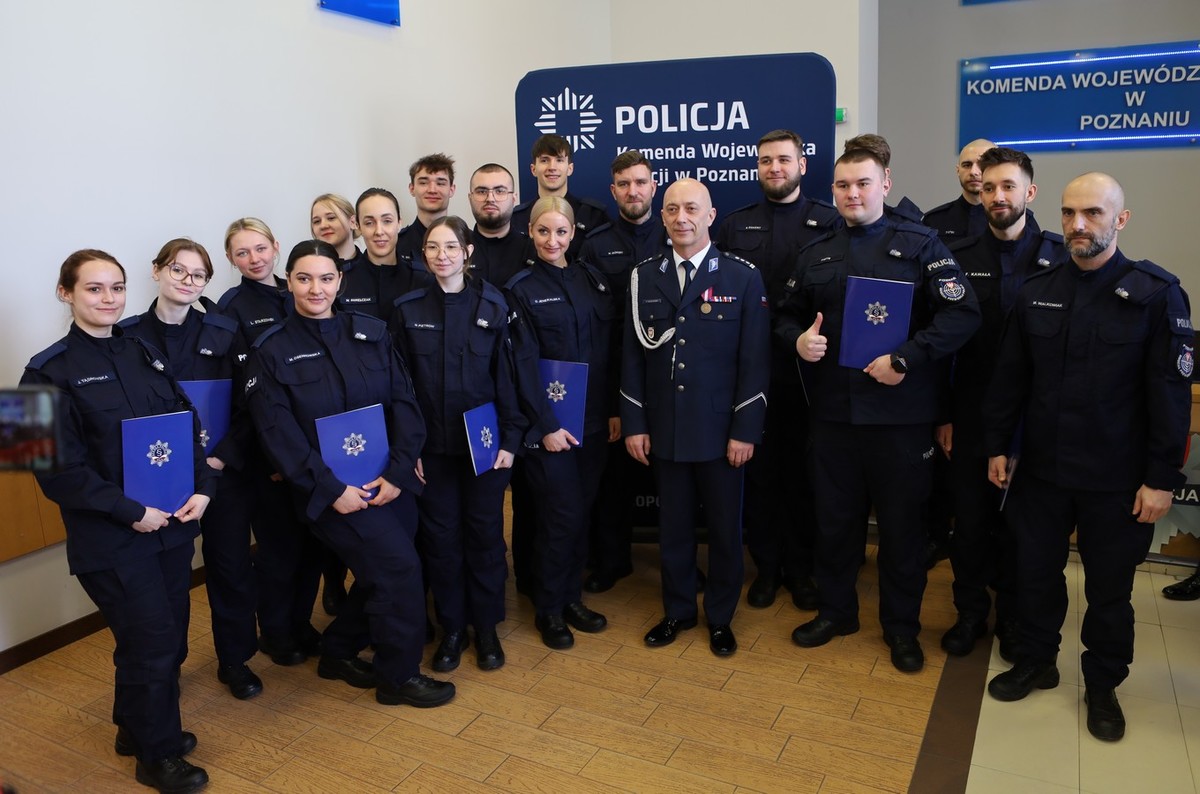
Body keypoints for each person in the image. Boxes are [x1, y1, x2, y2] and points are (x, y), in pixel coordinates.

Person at [983, 172, 1191, 742]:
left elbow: (1170, 398)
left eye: (1093, 213)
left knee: (1109, 592)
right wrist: (999, 445)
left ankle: (1102, 684)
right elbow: (1010, 380)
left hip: (1116, 480)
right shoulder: (1038, 290)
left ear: (1120, 220)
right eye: (1069, 213)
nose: (1078, 224)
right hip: (1042, 472)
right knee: (1035, 576)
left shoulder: (1156, 294)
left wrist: (1161, 479)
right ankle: (1037, 660)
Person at [776, 143, 980, 673]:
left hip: (900, 419)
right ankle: (836, 612)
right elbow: (784, 315)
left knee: (902, 531)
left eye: (863, 183)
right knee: (834, 524)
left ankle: (901, 629)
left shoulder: (921, 244)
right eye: (843, 185)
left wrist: (907, 358)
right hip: (834, 418)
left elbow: (962, 313)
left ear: (885, 184)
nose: (852, 194)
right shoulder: (817, 251)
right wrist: (798, 340)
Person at [22, 250, 216, 793]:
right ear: (65, 293)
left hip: (170, 528)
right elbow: (48, 471)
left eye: (117, 287)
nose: (109, 299)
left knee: (165, 638)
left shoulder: (143, 350)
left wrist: (205, 486)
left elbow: (187, 424)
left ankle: (134, 726)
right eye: (94, 289)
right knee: (151, 641)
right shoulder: (40, 371)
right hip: (110, 538)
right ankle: (157, 755)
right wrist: (131, 512)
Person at [245, 239, 456, 707]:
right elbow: (278, 434)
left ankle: (338, 650)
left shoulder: (371, 332)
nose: (315, 288)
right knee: (398, 570)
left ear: (340, 281)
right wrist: (330, 489)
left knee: (392, 568)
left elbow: (405, 403)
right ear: (289, 282)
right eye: (304, 278)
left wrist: (398, 472)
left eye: (325, 278)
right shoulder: (272, 350)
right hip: (330, 494)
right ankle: (398, 678)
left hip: (388, 481)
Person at [622, 178, 770, 657]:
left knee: (725, 532)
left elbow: (755, 361)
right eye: (671, 209)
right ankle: (679, 610)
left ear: (711, 215)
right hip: (666, 428)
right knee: (674, 530)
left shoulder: (742, 277)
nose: (681, 217)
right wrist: (635, 423)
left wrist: (745, 430)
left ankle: (720, 617)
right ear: (662, 217)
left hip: (722, 431)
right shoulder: (645, 276)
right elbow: (632, 356)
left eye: (691, 208)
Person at [119, 239, 264, 700]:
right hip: (161, 481)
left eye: (198, 275)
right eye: (178, 270)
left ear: (206, 282)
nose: (187, 280)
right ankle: (169, 667)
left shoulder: (225, 331)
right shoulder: (126, 336)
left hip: (220, 471)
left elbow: (250, 403)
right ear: (157, 271)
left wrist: (219, 458)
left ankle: (235, 660)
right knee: (171, 581)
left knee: (231, 566)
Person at [937, 147, 1067, 658]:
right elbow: (942, 345)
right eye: (989, 187)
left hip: (1036, 421)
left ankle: (1013, 618)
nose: (997, 196)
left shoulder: (1061, 258)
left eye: (1008, 186)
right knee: (969, 524)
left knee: (1022, 530)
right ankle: (970, 612)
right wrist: (944, 416)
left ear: (1029, 192)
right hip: (971, 415)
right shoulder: (957, 258)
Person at [391, 216, 526, 671]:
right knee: (441, 540)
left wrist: (511, 437)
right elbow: (399, 388)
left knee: (485, 536)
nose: (442, 255)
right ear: (424, 254)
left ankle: (485, 627)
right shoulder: (407, 310)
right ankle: (451, 627)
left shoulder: (493, 305)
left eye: (451, 246)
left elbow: (507, 378)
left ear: (468, 252)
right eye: (433, 247)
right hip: (432, 451)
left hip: (485, 447)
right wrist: (407, 450)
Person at [715, 129, 839, 611]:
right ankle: (766, 569)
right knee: (761, 476)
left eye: (784, 159)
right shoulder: (735, 225)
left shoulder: (830, 221)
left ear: (802, 165)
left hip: (810, 372)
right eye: (766, 160)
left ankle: (801, 571)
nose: (775, 168)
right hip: (750, 370)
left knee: (806, 477)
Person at [505, 196, 617, 649]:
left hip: (593, 423)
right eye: (543, 231)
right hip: (549, 429)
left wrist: (613, 411)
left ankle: (571, 597)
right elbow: (522, 366)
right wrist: (546, 425)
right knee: (559, 517)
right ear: (530, 232)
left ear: (573, 234)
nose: (552, 240)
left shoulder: (593, 280)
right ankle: (549, 609)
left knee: (580, 514)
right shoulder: (520, 289)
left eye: (561, 231)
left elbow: (608, 353)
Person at [216, 218, 325, 667]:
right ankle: (277, 633)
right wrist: (276, 458)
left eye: (260, 248)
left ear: (276, 246)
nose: (254, 259)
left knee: (313, 546)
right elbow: (246, 394)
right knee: (280, 551)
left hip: (313, 449)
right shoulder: (231, 308)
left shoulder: (299, 287)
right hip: (270, 457)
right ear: (230, 259)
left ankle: (302, 623)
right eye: (242, 253)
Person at [577, 149, 670, 594]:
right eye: (624, 184)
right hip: (616, 376)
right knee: (614, 482)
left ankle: (678, 566)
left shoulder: (677, 233)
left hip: (671, 376)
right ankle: (613, 561)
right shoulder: (594, 245)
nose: (633, 191)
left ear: (654, 186)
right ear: (613, 191)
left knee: (673, 482)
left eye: (640, 182)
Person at [309, 194, 361, 614]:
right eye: (317, 219)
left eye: (333, 216)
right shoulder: (309, 278)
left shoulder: (369, 269)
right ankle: (334, 583)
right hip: (322, 421)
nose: (325, 224)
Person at [511, 134, 611, 260]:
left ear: (570, 168)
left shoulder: (594, 216)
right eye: (544, 160)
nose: (552, 167)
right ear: (533, 169)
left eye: (559, 160)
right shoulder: (516, 219)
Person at [339, 188, 432, 319]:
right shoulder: (341, 281)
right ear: (358, 225)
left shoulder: (423, 279)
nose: (379, 231)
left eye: (387, 221)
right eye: (369, 223)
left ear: (399, 223)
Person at [467, 163, 536, 288]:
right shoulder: (456, 250)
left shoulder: (534, 249)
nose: (490, 199)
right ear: (470, 198)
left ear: (514, 198)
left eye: (499, 191)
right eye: (482, 191)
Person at [922, 138, 996, 241]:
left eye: (982, 165)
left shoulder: (1010, 220)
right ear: (958, 171)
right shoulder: (933, 220)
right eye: (967, 165)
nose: (973, 172)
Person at [396, 153, 457, 262]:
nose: (432, 190)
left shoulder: (468, 241)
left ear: (451, 190)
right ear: (412, 189)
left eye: (440, 183)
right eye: (423, 183)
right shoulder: (396, 245)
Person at [311, 193, 360, 262]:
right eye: (317, 221)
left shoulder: (371, 267)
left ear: (353, 222)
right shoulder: (307, 267)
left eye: (331, 218)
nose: (323, 226)